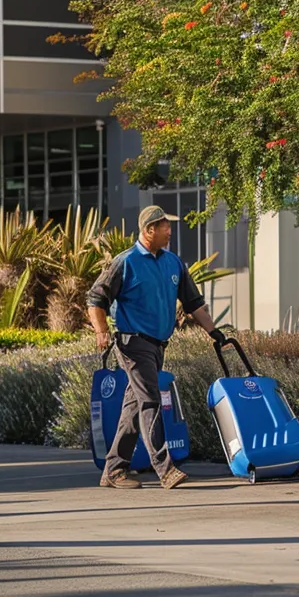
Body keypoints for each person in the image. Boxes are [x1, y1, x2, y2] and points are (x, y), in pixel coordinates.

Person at [86, 205, 226, 490]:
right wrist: (101, 331)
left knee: (134, 406)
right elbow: (95, 299)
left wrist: (214, 332)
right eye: (164, 226)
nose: (170, 231)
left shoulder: (173, 263)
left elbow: (194, 303)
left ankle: (113, 469)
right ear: (149, 230)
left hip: (158, 345)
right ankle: (165, 468)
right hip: (132, 343)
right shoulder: (125, 262)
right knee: (151, 400)